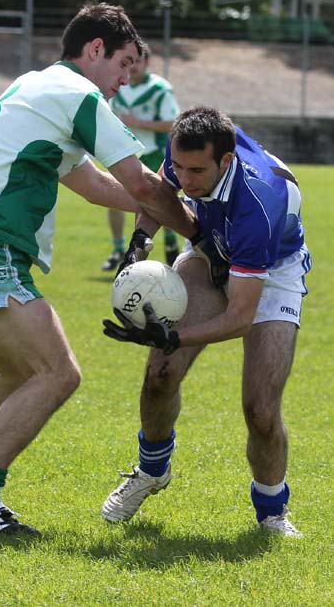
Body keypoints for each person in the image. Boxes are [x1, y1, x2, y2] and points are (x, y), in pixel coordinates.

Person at [0, 2, 199, 536]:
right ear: (95, 49)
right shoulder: (79, 95)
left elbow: (97, 187)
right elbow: (139, 184)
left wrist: (156, 210)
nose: (123, 82)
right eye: (124, 66)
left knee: (21, 372)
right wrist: (203, 233)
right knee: (57, 373)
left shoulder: (37, 87)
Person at [102, 106, 311, 537]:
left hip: (270, 272)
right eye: (178, 166)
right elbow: (159, 196)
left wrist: (170, 334)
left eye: (196, 171)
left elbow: (239, 317)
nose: (185, 179)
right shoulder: (187, 152)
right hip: (211, 249)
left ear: (226, 161)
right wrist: (138, 248)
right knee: (160, 372)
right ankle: (151, 471)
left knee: (261, 410)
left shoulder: (260, 204)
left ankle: (272, 511)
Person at [101, 43, 181, 271]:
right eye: (130, 61)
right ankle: (118, 249)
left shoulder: (160, 89)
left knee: (163, 202)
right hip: (123, 153)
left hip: (154, 152)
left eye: (139, 61)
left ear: (148, 63)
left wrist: (139, 123)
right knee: (112, 198)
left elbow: (173, 123)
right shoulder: (118, 85)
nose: (134, 67)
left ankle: (170, 246)